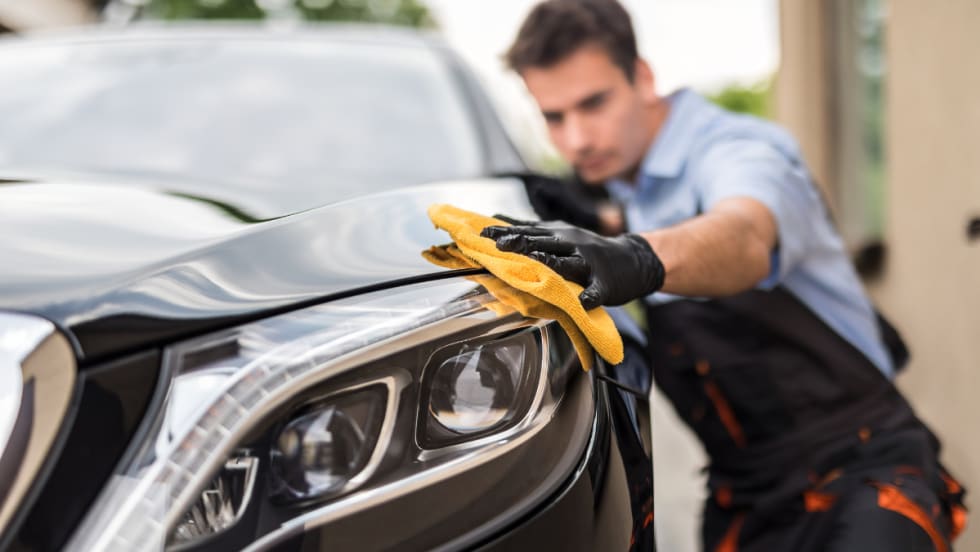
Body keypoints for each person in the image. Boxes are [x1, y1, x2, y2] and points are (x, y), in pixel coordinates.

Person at [483, 1, 968, 550]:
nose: (576, 141)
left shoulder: (740, 150)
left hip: (862, 474)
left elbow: (744, 233)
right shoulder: (630, 186)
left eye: (593, 104)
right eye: (554, 117)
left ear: (642, 77)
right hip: (745, 500)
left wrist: (639, 256)